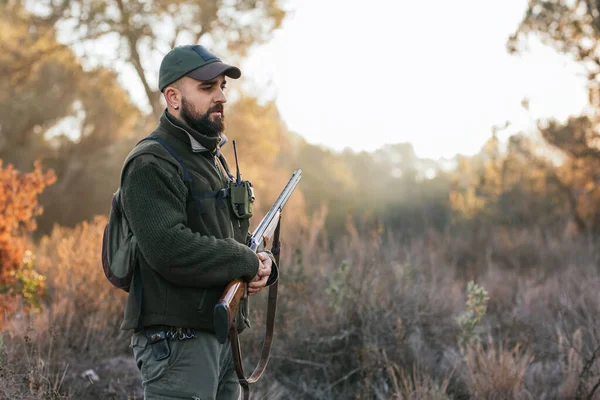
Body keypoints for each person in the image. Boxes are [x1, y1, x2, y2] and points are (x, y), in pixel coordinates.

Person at [119, 44, 278, 400]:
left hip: (220, 334)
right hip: (178, 343)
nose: (220, 96)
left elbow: (227, 238)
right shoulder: (150, 162)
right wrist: (243, 261)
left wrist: (260, 264)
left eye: (223, 86)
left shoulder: (208, 158)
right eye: (207, 88)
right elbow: (168, 248)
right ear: (173, 97)